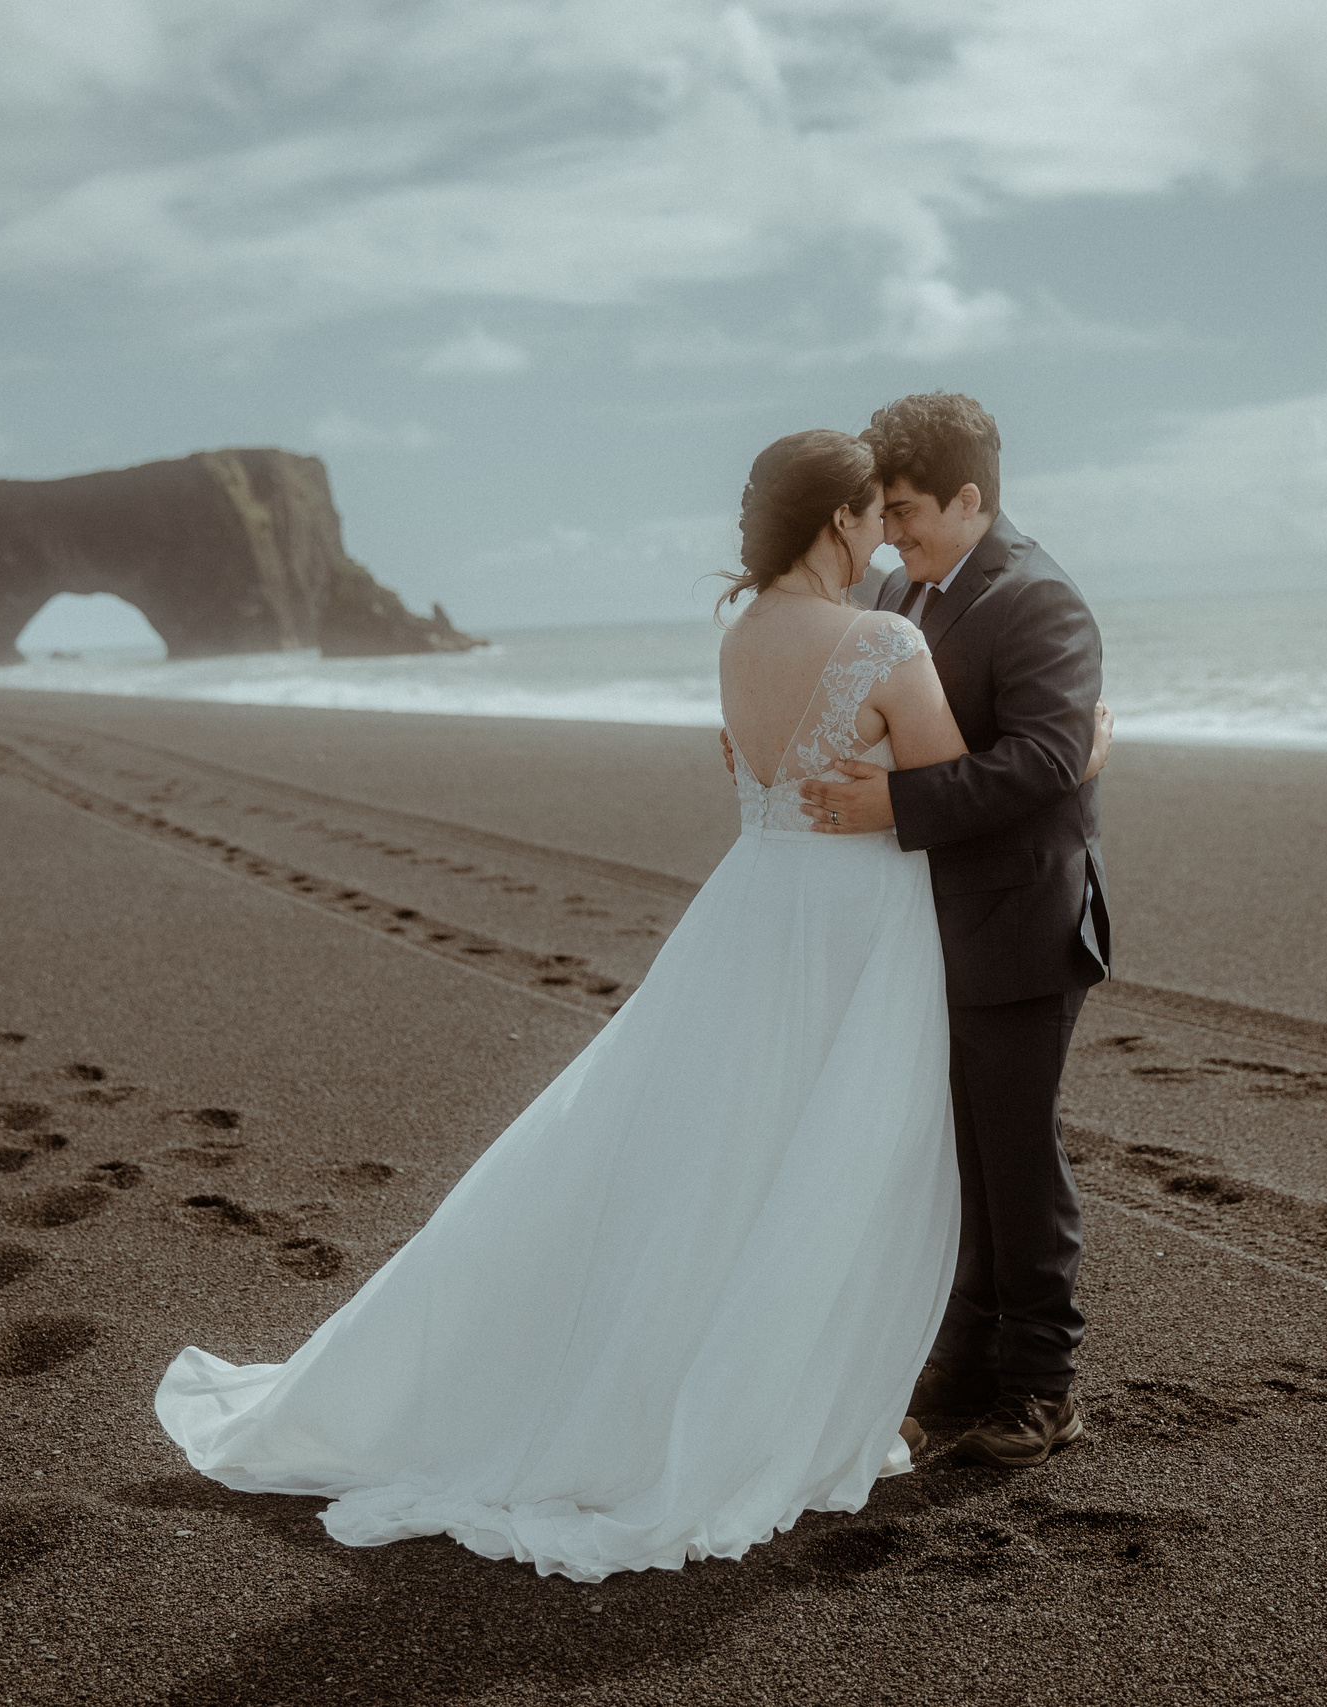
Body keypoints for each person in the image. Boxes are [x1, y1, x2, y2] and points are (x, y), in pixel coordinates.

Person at [153, 428, 1110, 1582]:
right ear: (834, 522)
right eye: (870, 517)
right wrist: (1085, 755)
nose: (883, 539)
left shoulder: (742, 636)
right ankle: (778, 1400)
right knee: (837, 1157)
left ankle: (703, 1375)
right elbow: (947, 772)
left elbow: (771, 772)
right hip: (854, 929)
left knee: (721, 1149)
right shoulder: (886, 636)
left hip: (755, 911)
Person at [796, 393, 1112, 1470]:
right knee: (960, 1159)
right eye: (879, 513)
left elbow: (1044, 759)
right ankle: (963, 1366)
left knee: (1016, 1162)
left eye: (906, 510)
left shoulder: (1042, 602)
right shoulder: (901, 591)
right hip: (931, 925)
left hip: (1022, 921)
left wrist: (896, 808)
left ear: (971, 498)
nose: (888, 533)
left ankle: (1043, 1388)